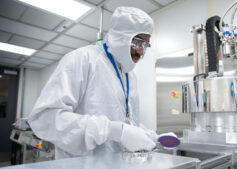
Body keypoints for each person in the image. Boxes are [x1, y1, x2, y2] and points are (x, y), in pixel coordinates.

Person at [28, 7, 159, 159]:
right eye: (137, 42)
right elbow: (45, 119)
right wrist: (112, 130)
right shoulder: (82, 59)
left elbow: (125, 122)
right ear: (121, 37)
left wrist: (151, 136)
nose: (141, 52)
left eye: (145, 45)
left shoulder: (130, 76)